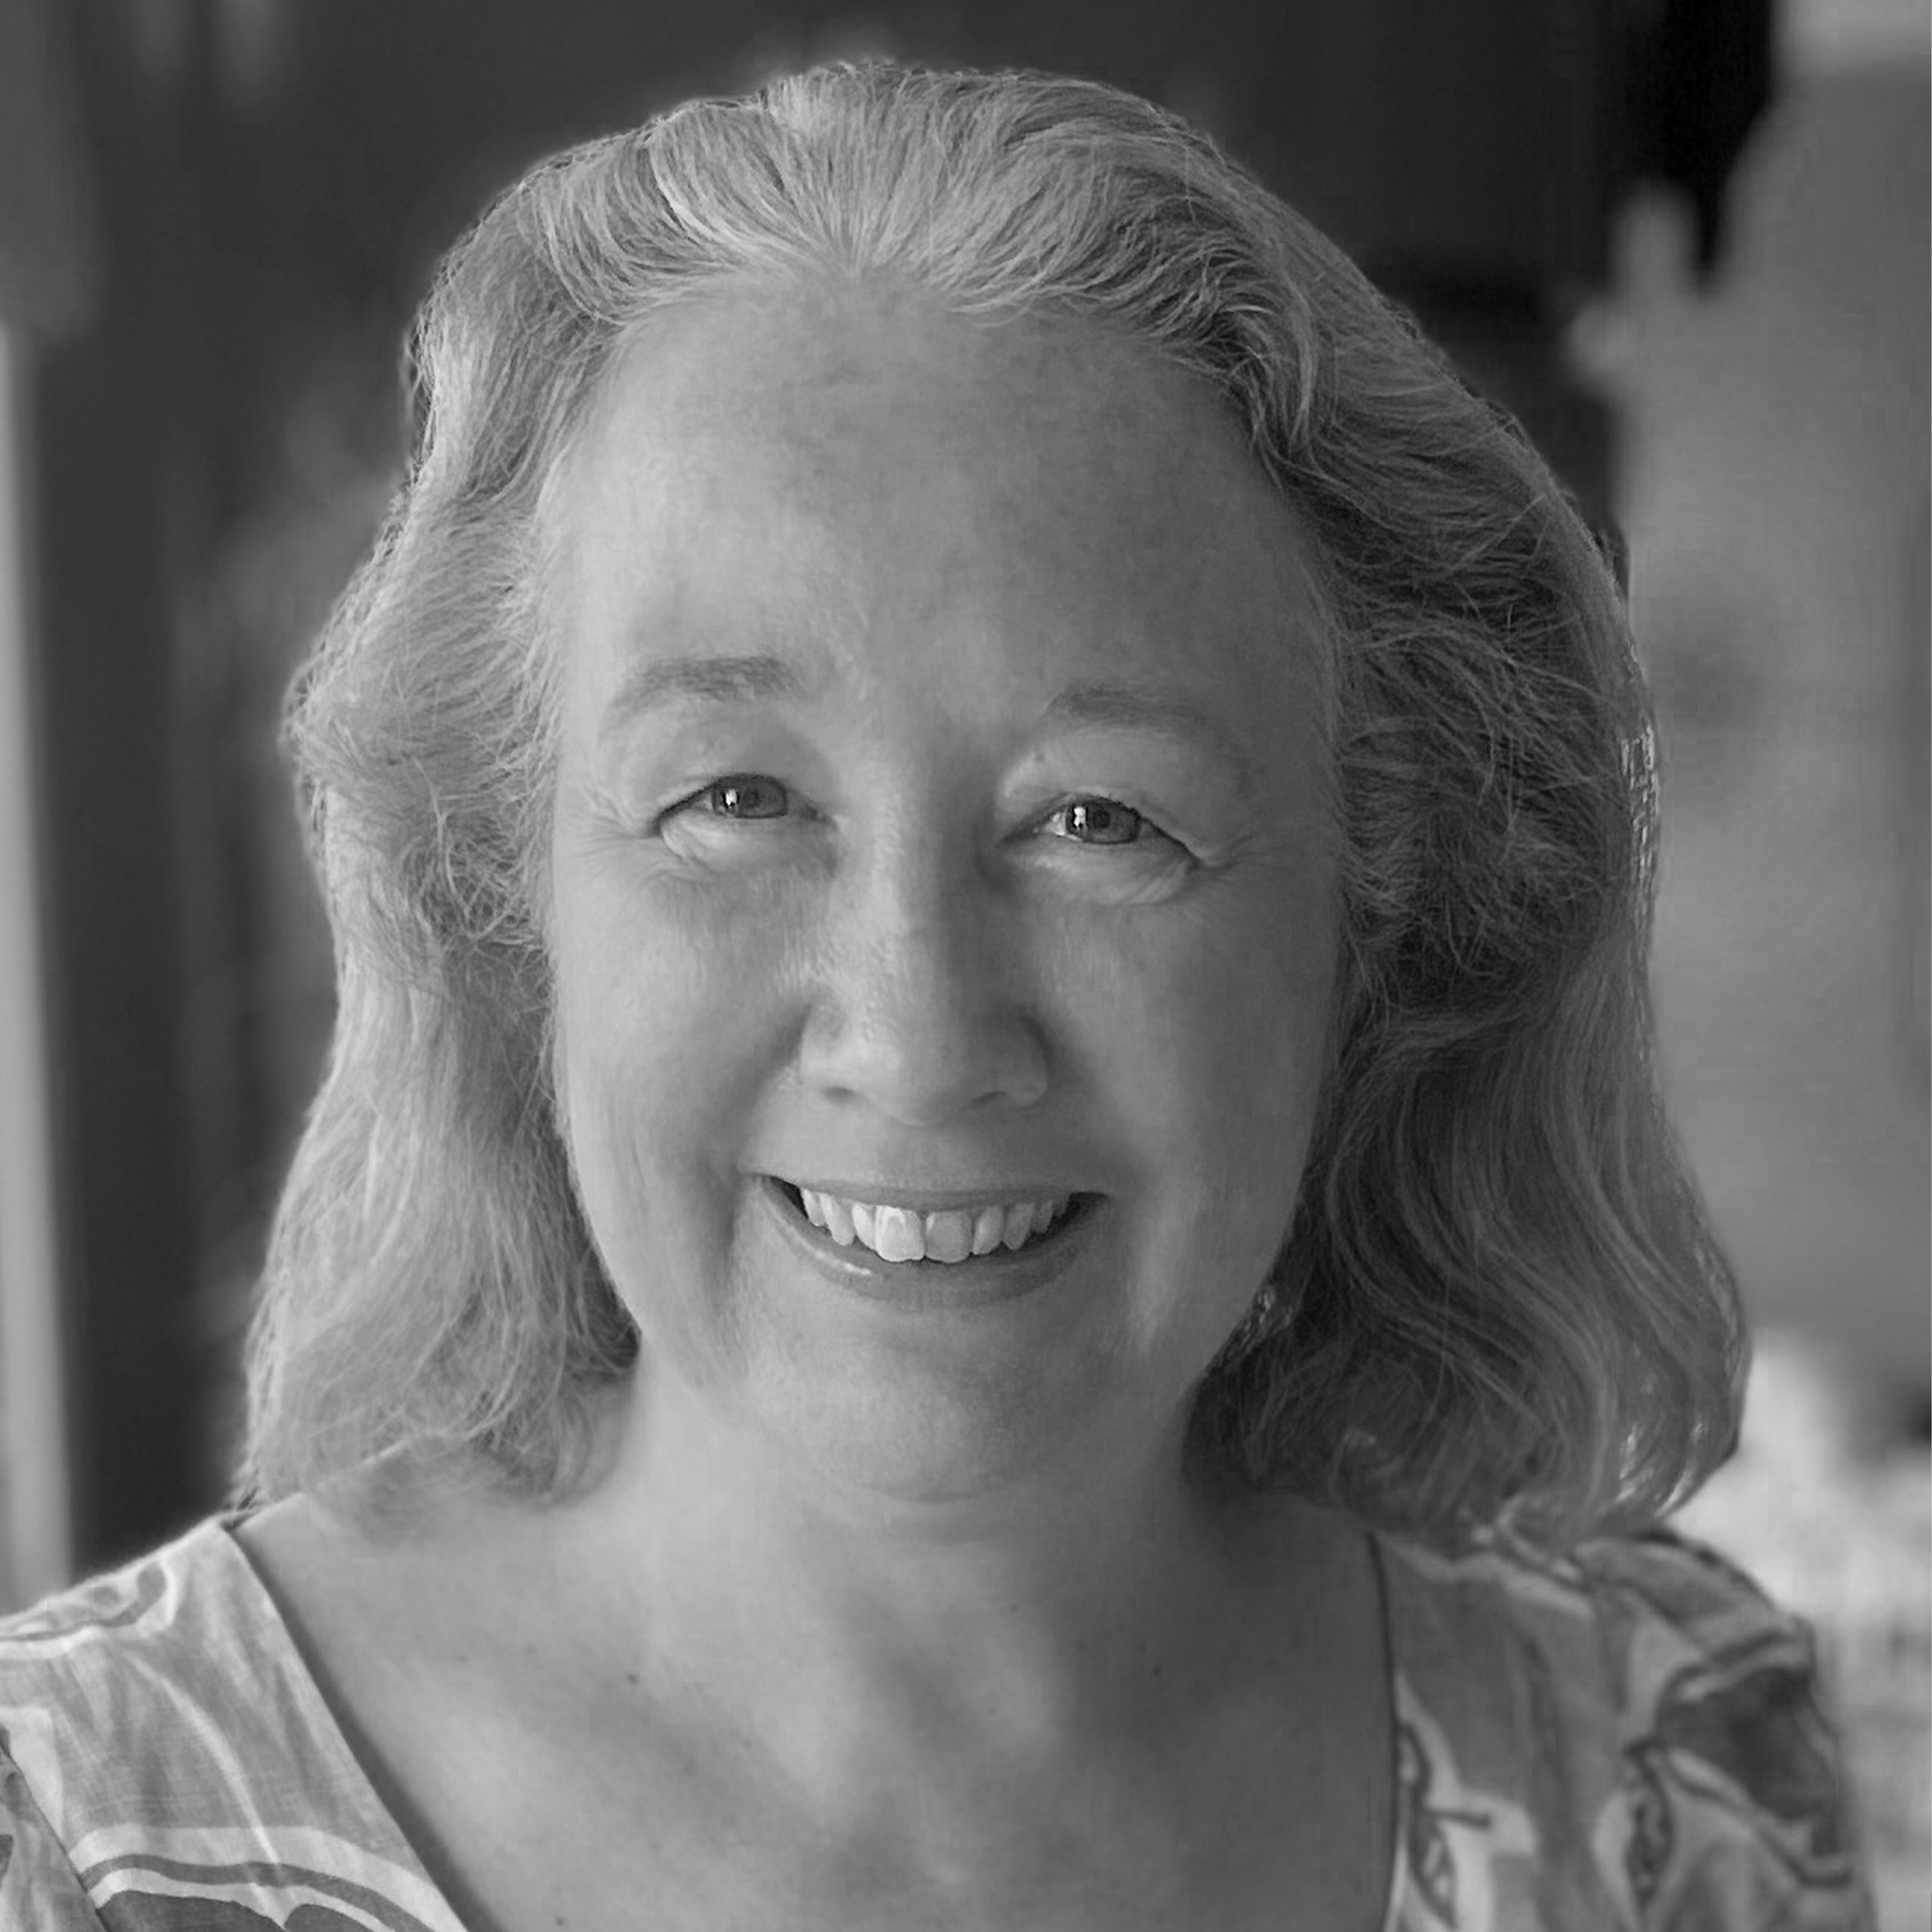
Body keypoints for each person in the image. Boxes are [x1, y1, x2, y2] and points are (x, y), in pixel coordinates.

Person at [0, 60, 1874, 1932]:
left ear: (1380, 926)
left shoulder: (1669, 1773)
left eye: (1099, 819)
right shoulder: (71, 1840)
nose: (914, 1034)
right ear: (506, 906)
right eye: (734, 799)